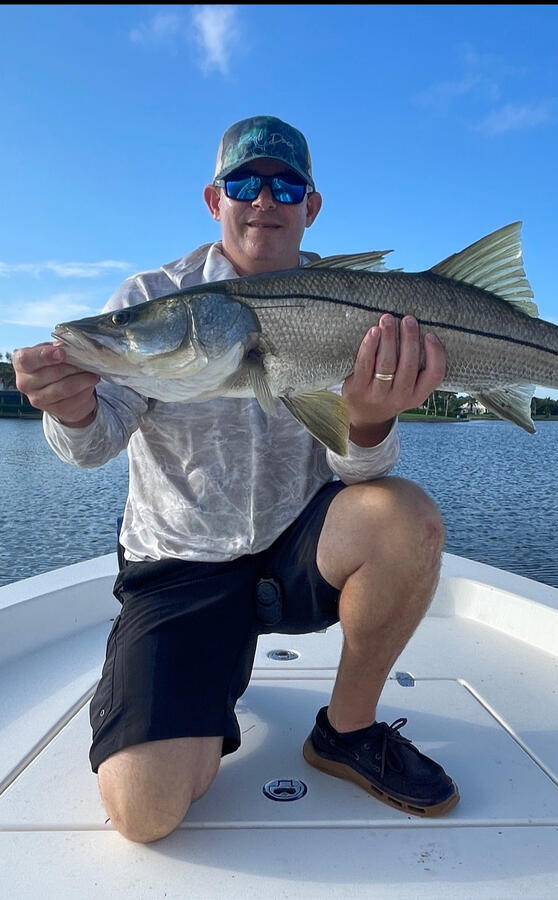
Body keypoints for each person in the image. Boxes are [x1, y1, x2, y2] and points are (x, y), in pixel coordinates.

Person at [12, 115, 459, 842]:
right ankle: (189, 670)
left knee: (404, 516)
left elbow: (363, 473)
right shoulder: (157, 297)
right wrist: (72, 404)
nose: (264, 199)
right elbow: (93, 445)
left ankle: (346, 731)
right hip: (180, 570)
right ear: (215, 199)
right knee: (145, 812)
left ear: (310, 207)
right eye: (244, 183)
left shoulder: (357, 305)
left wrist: (372, 418)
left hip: (296, 555)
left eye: (286, 185)